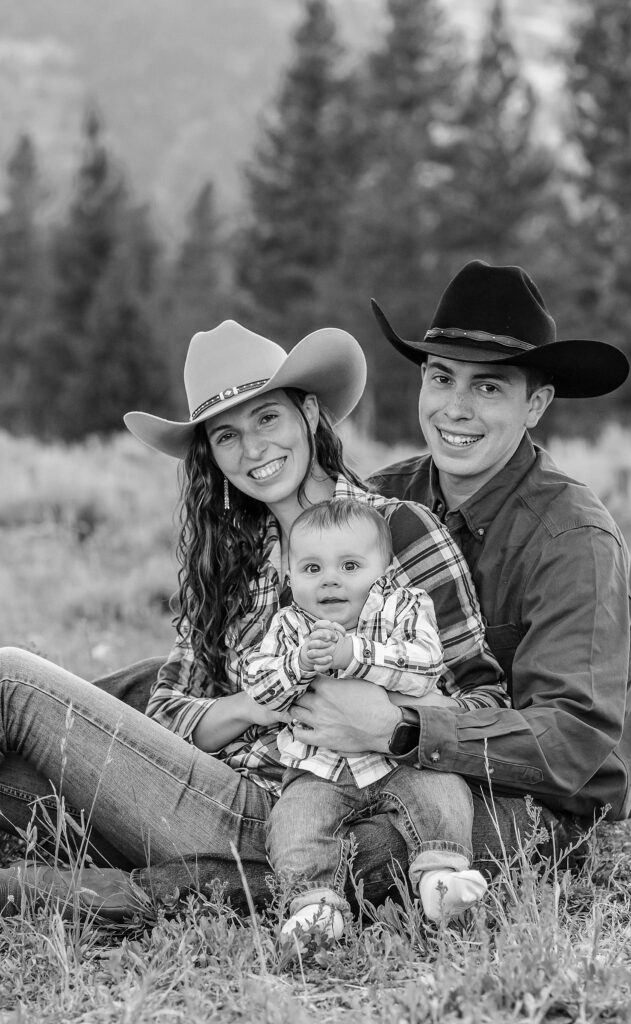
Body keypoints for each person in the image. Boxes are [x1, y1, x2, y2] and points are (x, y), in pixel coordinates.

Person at [0, 317, 502, 920]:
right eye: (226, 436)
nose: (254, 450)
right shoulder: (229, 563)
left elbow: (485, 702)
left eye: (268, 418)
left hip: (302, 805)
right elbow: (168, 710)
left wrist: (389, 717)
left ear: (309, 415)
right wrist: (257, 705)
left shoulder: (398, 529)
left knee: (12, 680)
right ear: (211, 454)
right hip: (203, 793)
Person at [343, 259, 631, 857]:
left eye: (488, 386)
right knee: (142, 691)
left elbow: (571, 736)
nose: (455, 408)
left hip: (530, 802)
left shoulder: (573, 539)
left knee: (361, 849)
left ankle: (139, 888)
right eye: (441, 377)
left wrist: (401, 727)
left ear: (536, 404)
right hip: (373, 764)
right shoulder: (381, 500)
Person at [244, 498, 505, 936]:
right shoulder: (289, 626)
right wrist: (298, 665)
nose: (330, 580)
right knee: (295, 822)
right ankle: (315, 909)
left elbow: (425, 666)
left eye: (349, 566)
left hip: (399, 759)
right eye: (311, 569)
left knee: (444, 791)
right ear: (290, 577)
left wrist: (354, 655)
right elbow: (259, 685)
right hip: (319, 770)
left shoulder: (404, 606)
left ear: (382, 570)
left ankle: (440, 878)